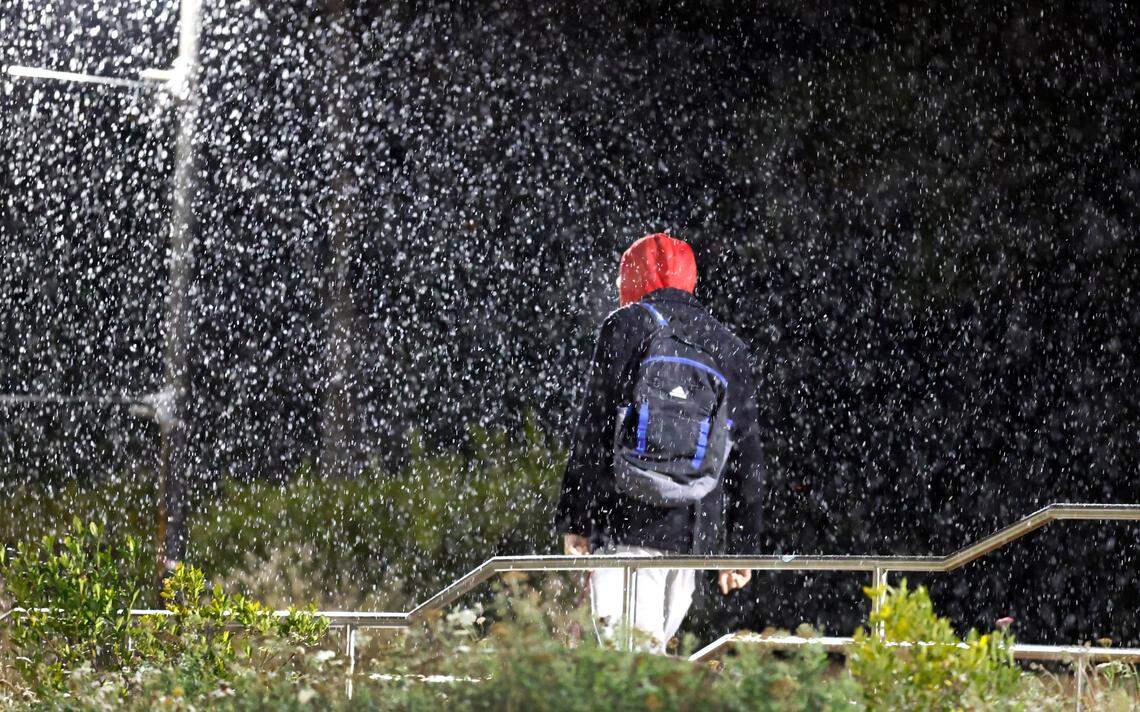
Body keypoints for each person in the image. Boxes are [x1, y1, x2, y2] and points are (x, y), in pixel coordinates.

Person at [556, 232, 766, 653]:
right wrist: (743, 548)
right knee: (653, 659)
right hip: (693, 533)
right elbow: (748, 456)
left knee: (631, 664)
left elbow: (594, 427)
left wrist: (574, 518)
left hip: (625, 522)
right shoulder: (727, 345)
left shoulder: (626, 326)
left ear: (630, 280)